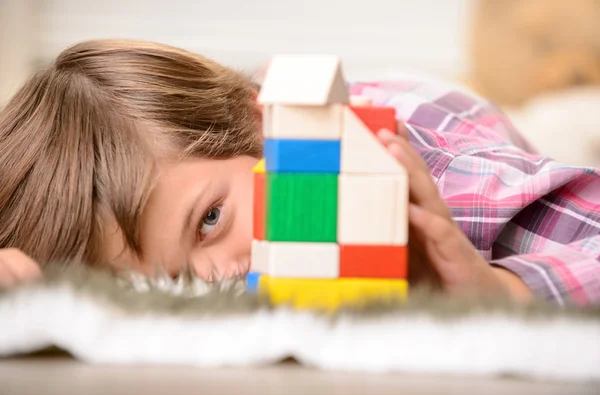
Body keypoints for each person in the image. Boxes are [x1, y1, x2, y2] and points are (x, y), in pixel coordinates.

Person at [0, 40, 598, 307]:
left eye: (210, 220)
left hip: (453, 121)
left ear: (265, 131)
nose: (215, 279)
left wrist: (501, 291)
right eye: (170, 281)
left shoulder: (423, 173)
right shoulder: (209, 178)